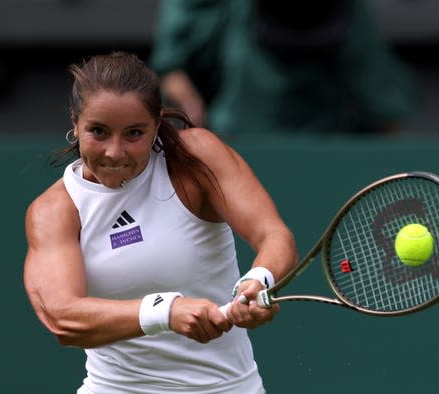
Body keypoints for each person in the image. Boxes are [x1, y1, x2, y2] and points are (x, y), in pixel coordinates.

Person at [23, 51, 298, 393]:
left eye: (134, 133)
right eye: (98, 131)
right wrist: (165, 311)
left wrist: (260, 279)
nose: (114, 152)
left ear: (156, 123)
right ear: (75, 122)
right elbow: (62, 318)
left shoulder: (196, 159)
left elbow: (274, 235)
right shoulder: (54, 211)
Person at [149, 0, 416, 135]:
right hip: (238, 136)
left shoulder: (352, 17)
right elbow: (171, 68)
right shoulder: (219, 14)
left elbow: (386, 113)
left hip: (326, 141)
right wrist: (187, 104)